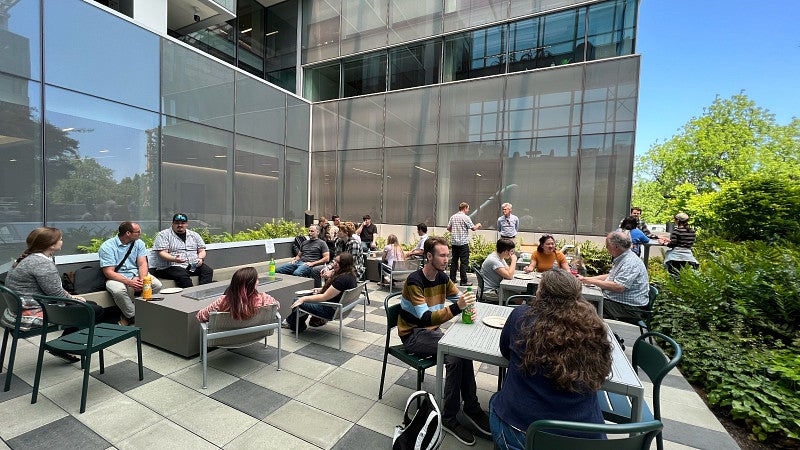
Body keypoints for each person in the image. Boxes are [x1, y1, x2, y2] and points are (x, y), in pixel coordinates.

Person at [490, 269, 612, 448]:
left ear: (541, 293)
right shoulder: (593, 327)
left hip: (522, 433)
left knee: (496, 400)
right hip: (584, 439)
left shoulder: (521, 317)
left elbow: (505, 351)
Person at [399, 236, 488, 445]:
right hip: (413, 335)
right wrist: (458, 308)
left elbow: (459, 298)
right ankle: (450, 416)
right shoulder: (414, 281)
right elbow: (425, 318)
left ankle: (471, 407)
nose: (447, 259)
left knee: (461, 351)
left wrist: (470, 307)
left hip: (431, 332)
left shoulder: (442, 277)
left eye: (448, 255)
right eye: (442, 255)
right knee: (456, 357)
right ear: (429, 256)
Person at [3, 227, 105, 363]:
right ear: (51, 245)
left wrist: (72, 297)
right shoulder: (42, 264)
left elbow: (53, 291)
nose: (62, 241)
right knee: (93, 310)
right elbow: (56, 294)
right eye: (60, 239)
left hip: (19, 308)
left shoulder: (26, 259)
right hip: (32, 312)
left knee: (88, 305)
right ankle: (63, 345)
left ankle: (64, 344)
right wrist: (73, 298)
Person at [99, 221, 162, 326]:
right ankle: (133, 316)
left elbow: (142, 264)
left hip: (136, 273)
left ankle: (138, 314)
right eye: (137, 232)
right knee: (118, 290)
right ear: (128, 233)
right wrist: (129, 282)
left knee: (156, 285)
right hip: (117, 276)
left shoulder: (139, 243)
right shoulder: (107, 246)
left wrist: (142, 280)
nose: (140, 233)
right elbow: (108, 272)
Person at [579, 231, 649, 322]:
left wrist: (590, 281)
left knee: (584, 306)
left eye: (607, 244)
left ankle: (592, 333)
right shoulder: (624, 257)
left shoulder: (630, 262)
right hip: (619, 302)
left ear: (615, 246)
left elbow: (619, 286)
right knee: (584, 301)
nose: (606, 247)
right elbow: (611, 276)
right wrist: (585, 279)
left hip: (630, 308)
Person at [283, 252, 358, 333]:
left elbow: (324, 297)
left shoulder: (342, 279)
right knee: (306, 297)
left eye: (339, 262)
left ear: (345, 265)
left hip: (330, 310)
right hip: (341, 309)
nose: (335, 264)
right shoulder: (350, 275)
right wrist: (320, 289)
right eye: (335, 261)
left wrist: (303, 299)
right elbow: (336, 291)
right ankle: (289, 321)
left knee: (297, 300)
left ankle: (296, 326)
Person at [151, 213, 213, 288]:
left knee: (207, 271)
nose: (180, 225)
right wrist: (174, 259)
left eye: (182, 223)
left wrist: (200, 258)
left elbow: (201, 250)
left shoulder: (194, 235)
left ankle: (203, 292)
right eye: (177, 223)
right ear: (172, 224)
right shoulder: (163, 235)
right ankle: (190, 295)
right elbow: (162, 253)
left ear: (187, 224)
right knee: (182, 274)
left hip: (191, 265)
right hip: (169, 267)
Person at [196, 266, 279, 322]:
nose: (258, 282)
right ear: (251, 284)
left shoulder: (223, 301)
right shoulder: (264, 298)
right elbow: (276, 306)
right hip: (255, 336)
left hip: (226, 340)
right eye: (257, 280)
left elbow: (200, 316)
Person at [447, 202, 482, 286]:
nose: (468, 210)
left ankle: (452, 279)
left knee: (454, 261)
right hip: (463, 243)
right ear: (465, 208)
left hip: (454, 243)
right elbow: (473, 228)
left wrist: (455, 231)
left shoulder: (453, 217)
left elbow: (448, 228)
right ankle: (464, 281)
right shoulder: (466, 218)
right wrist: (478, 225)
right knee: (464, 262)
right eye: (468, 208)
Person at [480, 238, 517, 304]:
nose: (512, 254)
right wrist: (514, 260)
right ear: (506, 251)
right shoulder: (494, 260)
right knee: (518, 298)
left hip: (494, 288)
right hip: (489, 291)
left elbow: (508, 270)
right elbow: (509, 276)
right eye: (511, 251)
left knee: (518, 292)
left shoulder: (498, 256)